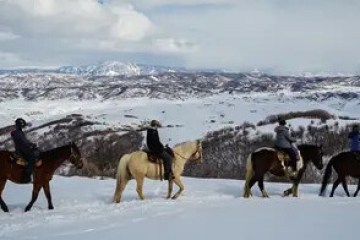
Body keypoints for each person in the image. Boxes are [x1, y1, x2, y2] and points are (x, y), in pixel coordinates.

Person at [11, 118, 38, 183]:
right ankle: (26, 177)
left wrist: (31, 144)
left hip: (23, 148)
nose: (23, 127)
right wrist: (30, 146)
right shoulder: (17, 132)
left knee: (36, 152)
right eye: (23, 125)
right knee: (32, 159)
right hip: (22, 149)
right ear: (20, 125)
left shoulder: (19, 132)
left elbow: (25, 141)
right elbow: (23, 143)